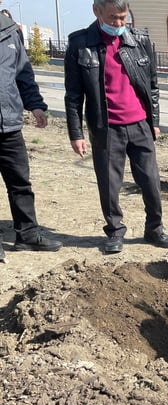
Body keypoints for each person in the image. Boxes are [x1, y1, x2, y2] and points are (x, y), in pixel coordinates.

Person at [64, 0, 168, 254]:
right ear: (97, 11)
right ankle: (114, 231)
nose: (119, 24)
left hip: (140, 125)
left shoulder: (139, 40)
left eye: (124, 17)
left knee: (150, 181)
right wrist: (76, 133)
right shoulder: (81, 44)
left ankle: (154, 228)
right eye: (113, 17)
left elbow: (153, 85)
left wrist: (154, 121)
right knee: (110, 184)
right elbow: (73, 95)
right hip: (106, 128)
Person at [0, 11, 63, 262]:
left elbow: (23, 74)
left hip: (9, 124)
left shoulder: (10, 30)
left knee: (20, 183)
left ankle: (27, 234)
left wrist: (35, 105)